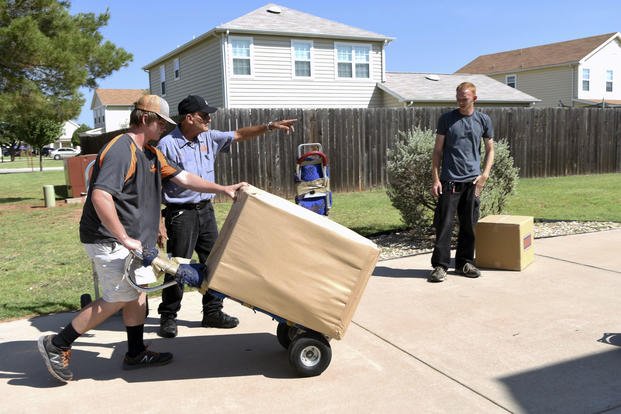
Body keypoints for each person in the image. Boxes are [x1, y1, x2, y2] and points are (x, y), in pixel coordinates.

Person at [37, 95, 246, 382]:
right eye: (161, 123)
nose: (164, 128)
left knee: (138, 294)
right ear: (146, 119)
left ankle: (135, 352)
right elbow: (100, 196)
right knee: (117, 297)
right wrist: (123, 237)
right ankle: (57, 343)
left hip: (135, 242)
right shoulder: (121, 150)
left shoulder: (150, 152)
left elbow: (183, 178)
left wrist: (224, 188)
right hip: (109, 240)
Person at [156, 94, 296, 338]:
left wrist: (270, 126)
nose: (209, 119)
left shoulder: (208, 138)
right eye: (204, 115)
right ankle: (168, 316)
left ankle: (212, 311)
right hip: (181, 213)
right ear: (189, 118)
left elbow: (239, 134)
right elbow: (154, 184)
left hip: (205, 211)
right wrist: (158, 221)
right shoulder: (167, 144)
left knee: (215, 262)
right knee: (177, 265)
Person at [428, 82, 495, 283]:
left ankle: (465, 263)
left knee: (469, 226)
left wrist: (484, 176)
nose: (460, 101)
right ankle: (440, 266)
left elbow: (490, 149)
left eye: (464, 98)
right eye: (458, 97)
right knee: (444, 225)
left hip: (472, 182)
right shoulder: (447, 119)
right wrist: (436, 179)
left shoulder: (483, 120)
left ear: (474, 98)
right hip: (450, 181)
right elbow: (437, 151)